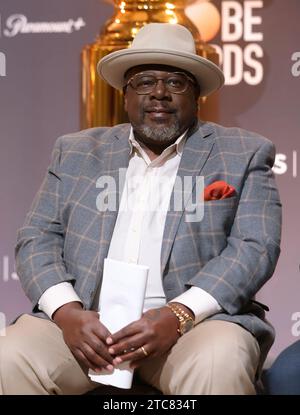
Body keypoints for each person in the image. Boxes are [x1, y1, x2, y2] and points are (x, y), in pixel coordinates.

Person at [0, 23, 281, 395]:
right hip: (87, 326)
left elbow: (254, 245)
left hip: (194, 330)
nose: (159, 93)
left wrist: (179, 314)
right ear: (125, 95)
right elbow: (37, 239)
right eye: (145, 82)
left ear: (196, 94)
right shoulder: (76, 151)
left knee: (219, 359)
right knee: (10, 355)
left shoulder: (243, 152)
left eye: (176, 82)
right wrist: (67, 313)